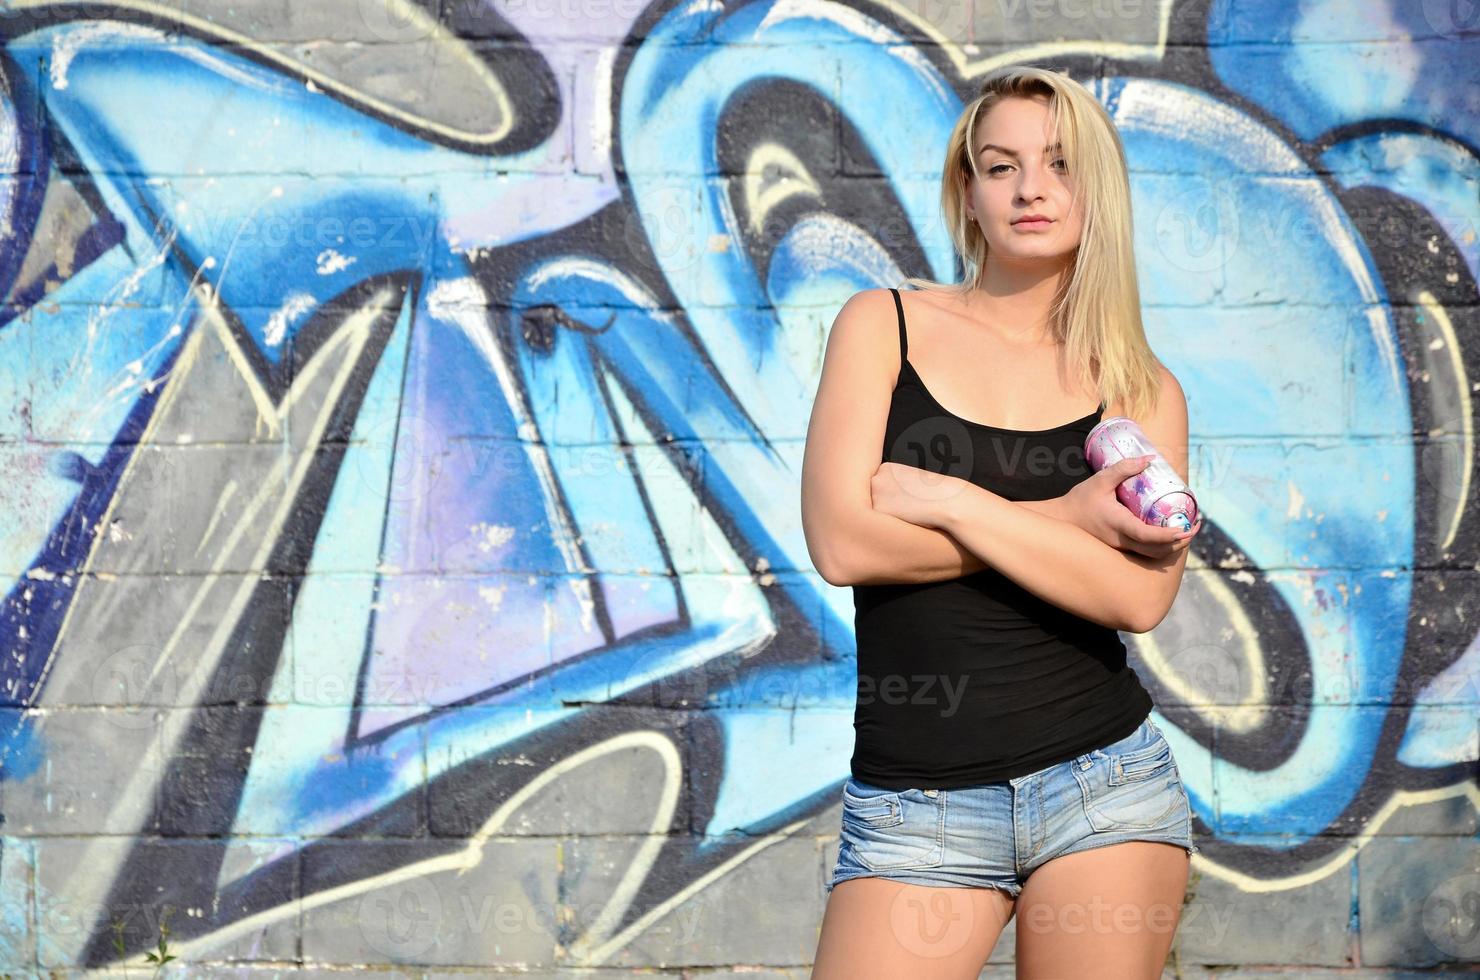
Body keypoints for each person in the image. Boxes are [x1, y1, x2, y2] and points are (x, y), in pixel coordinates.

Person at [800, 64, 1206, 979]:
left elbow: (1134, 598)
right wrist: (1063, 520)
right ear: (968, 193)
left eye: (1060, 163)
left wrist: (950, 499)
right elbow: (842, 543)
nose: (1031, 188)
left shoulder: (1137, 388)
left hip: (1104, 789)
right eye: (1001, 165)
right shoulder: (881, 327)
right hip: (915, 809)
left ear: (1093, 188)